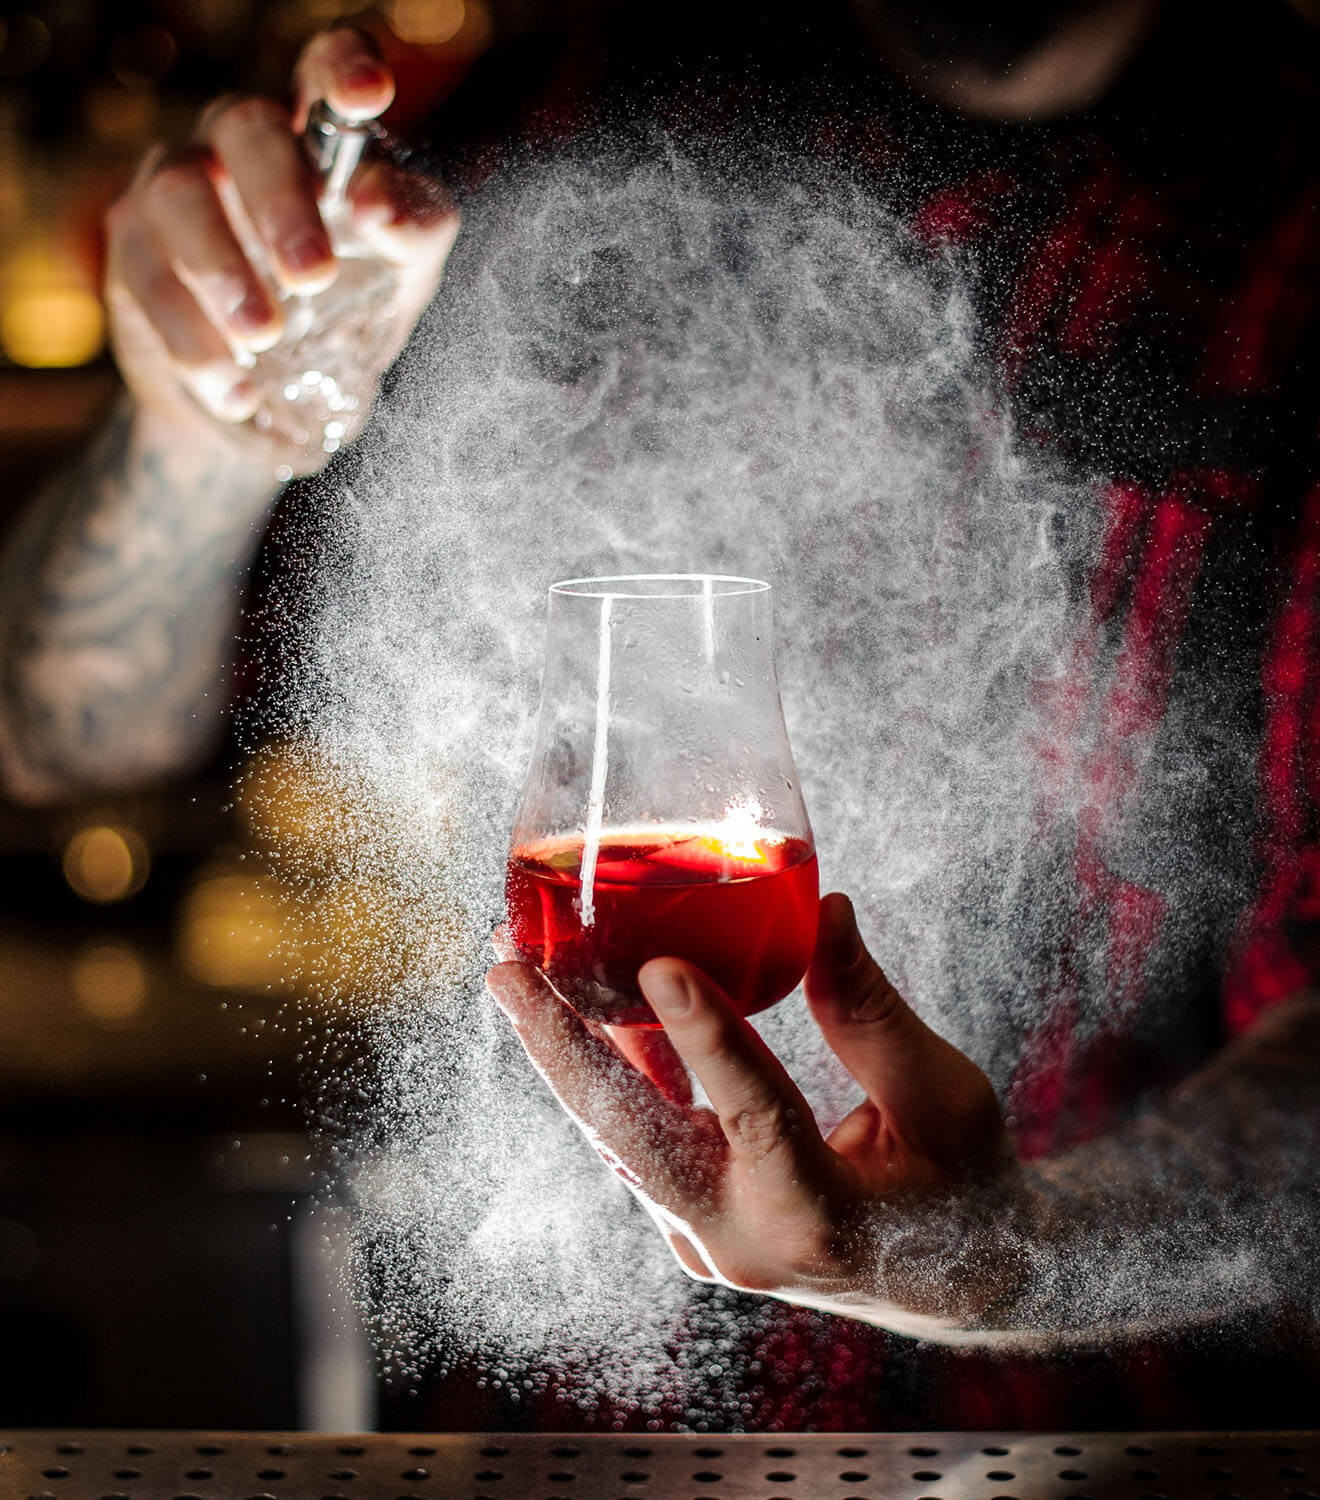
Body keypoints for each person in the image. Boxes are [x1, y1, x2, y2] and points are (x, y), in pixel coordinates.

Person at [3, 0, 1320, 1428]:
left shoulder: (1297, 221)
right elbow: (59, 732)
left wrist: (1010, 1253)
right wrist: (198, 432)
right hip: (548, 1451)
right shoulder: (541, 122)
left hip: (1097, 1446)